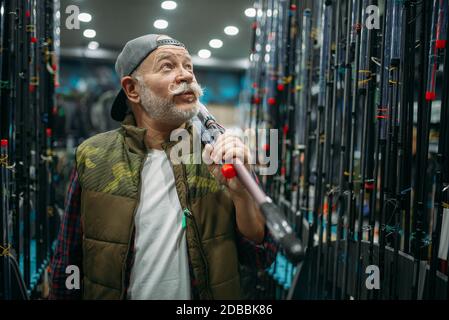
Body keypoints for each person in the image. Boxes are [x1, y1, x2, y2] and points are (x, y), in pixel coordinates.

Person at [49, 34, 277, 300]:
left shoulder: (222, 151)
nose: (186, 76)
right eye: (167, 66)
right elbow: (67, 263)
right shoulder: (93, 156)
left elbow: (261, 257)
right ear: (133, 89)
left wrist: (241, 195)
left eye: (189, 67)